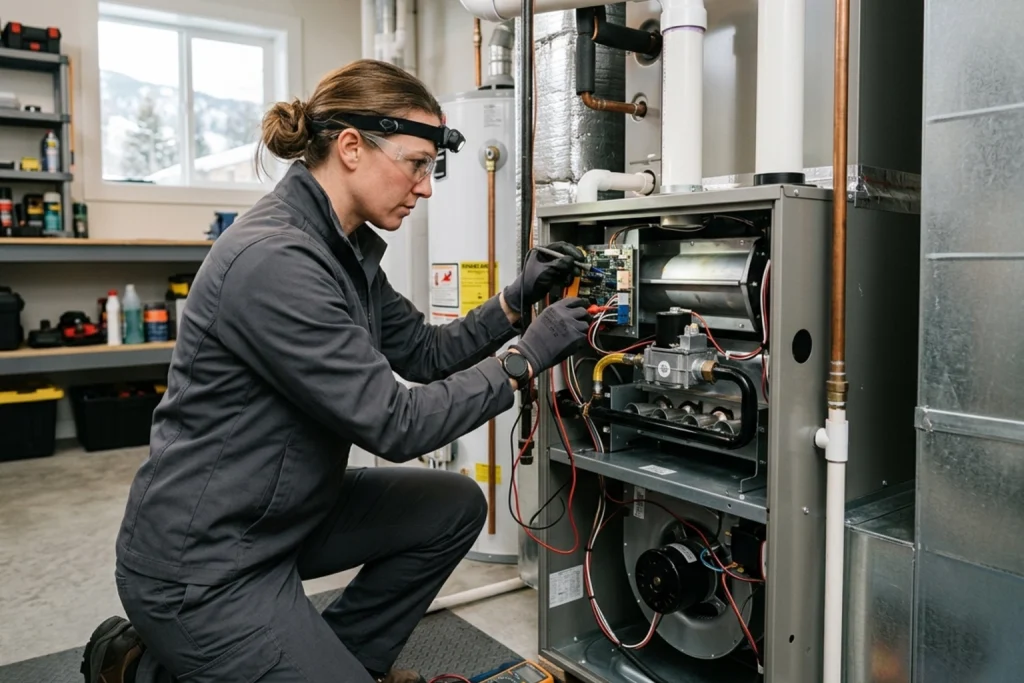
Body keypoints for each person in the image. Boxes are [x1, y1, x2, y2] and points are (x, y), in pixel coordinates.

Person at [81, 59, 591, 683]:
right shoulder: (277, 259)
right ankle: (140, 667)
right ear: (351, 147)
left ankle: (349, 661)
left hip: (285, 514)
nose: (426, 187)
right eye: (416, 164)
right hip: (206, 563)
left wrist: (513, 303)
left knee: (453, 505)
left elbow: (425, 352)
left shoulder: (340, 249)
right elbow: (396, 424)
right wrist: (524, 359)